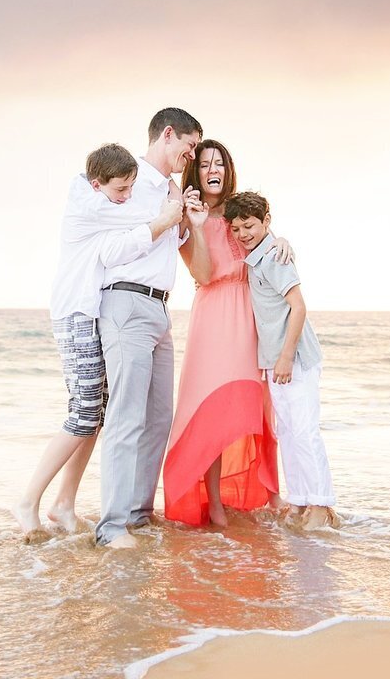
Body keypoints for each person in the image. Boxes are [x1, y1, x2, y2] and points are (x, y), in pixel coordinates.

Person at [11, 143, 183, 543]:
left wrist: (171, 202)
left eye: (129, 188)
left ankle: (65, 504)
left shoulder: (104, 202)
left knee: (96, 412)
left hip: (91, 313)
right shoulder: (90, 204)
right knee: (84, 412)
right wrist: (170, 206)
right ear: (97, 184)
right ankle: (28, 500)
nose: (125, 196)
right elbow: (141, 219)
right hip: (74, 314)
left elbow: (134, 223)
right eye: (121, 188)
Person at [162, 140, 289, 527]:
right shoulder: (187, 217)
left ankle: (271, 494)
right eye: (204, 165)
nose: (212, 169)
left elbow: (265, 247)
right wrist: (197, 228)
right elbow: (201, 274)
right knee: (211, 412)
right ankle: (214, 502)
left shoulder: (240, 214)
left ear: (227, 169)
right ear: (196, 173)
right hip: (213, 317)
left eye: (219, 163)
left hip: (250, 314)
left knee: (256, 406)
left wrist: (282, 241)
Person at [95, 108, 204, 549]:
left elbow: (176, 251)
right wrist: (166, 215)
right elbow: (110, 249)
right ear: (168, 134)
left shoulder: (172, 190)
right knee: (126, 418)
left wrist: (188, 223)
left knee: (159, 418)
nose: (191, 154)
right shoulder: (131, 182)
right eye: (189, 145)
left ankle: (139, 515)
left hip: (160, 310)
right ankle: (112, 527)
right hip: (126, 302)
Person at [224, 191, 339, 530]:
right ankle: (301, 500)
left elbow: (298, 306)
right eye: (236, 228)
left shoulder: (273, 257)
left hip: (294, 358)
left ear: (266, 223)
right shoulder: (262, 252)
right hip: (274, 360)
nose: (243, 234)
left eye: (250, 226)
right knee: (288, 432)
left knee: (304, 431)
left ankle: (321, 504)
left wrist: (287, 357)